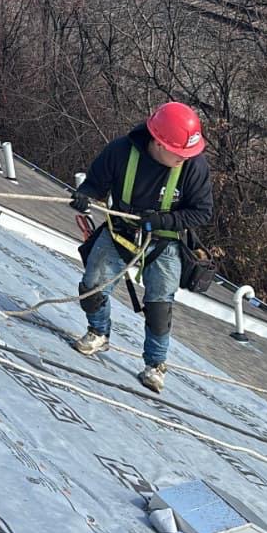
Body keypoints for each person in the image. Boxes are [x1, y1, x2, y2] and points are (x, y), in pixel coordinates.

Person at [68, 102, 213, 393]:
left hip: (163, 239)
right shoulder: (121, 151)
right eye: (179, 152)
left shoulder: (194, 166)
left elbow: (202, 212)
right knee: (92, 287)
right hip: (120, 232)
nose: (184, 158)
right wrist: (84, 195)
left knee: (160, 304)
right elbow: (95, 183)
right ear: (158, 142)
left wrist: (164, 219)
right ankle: (99, 331)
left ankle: (155, 364)